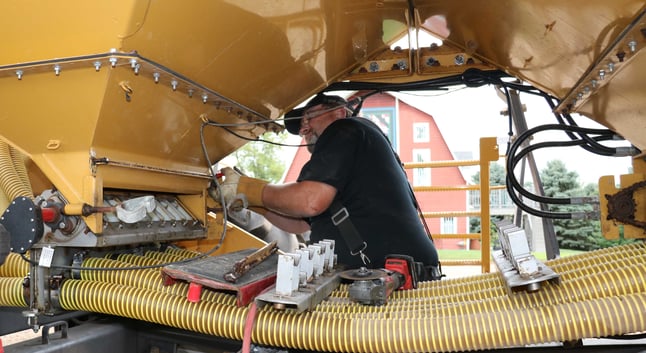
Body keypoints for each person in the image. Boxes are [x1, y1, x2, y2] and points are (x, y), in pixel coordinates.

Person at [214, 94, 440, 278]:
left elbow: (310, 202)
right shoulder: (357, 150)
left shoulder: (345, 129)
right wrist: (250, 201)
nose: (304, 130)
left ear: (339, 112)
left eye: (307, 119)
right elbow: (299, 223)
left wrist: (248, 187)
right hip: (389, 275)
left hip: (392, 278)